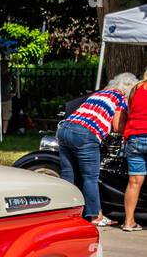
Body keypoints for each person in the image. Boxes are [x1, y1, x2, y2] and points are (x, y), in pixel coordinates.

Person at [57, 72, 136, 226]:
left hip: (64, 128)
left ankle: (64, 213)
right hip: (85, 133)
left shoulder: (101, 93)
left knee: (68, 175)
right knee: (90, 177)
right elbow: (117, 125)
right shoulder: (120, 98)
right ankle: (95, 216)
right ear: (129, 90)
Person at [121, 72, 147, 232]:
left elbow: (130, 110)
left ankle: (128, 222)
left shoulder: (136, 88)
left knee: (134, 182)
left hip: (135, 137)